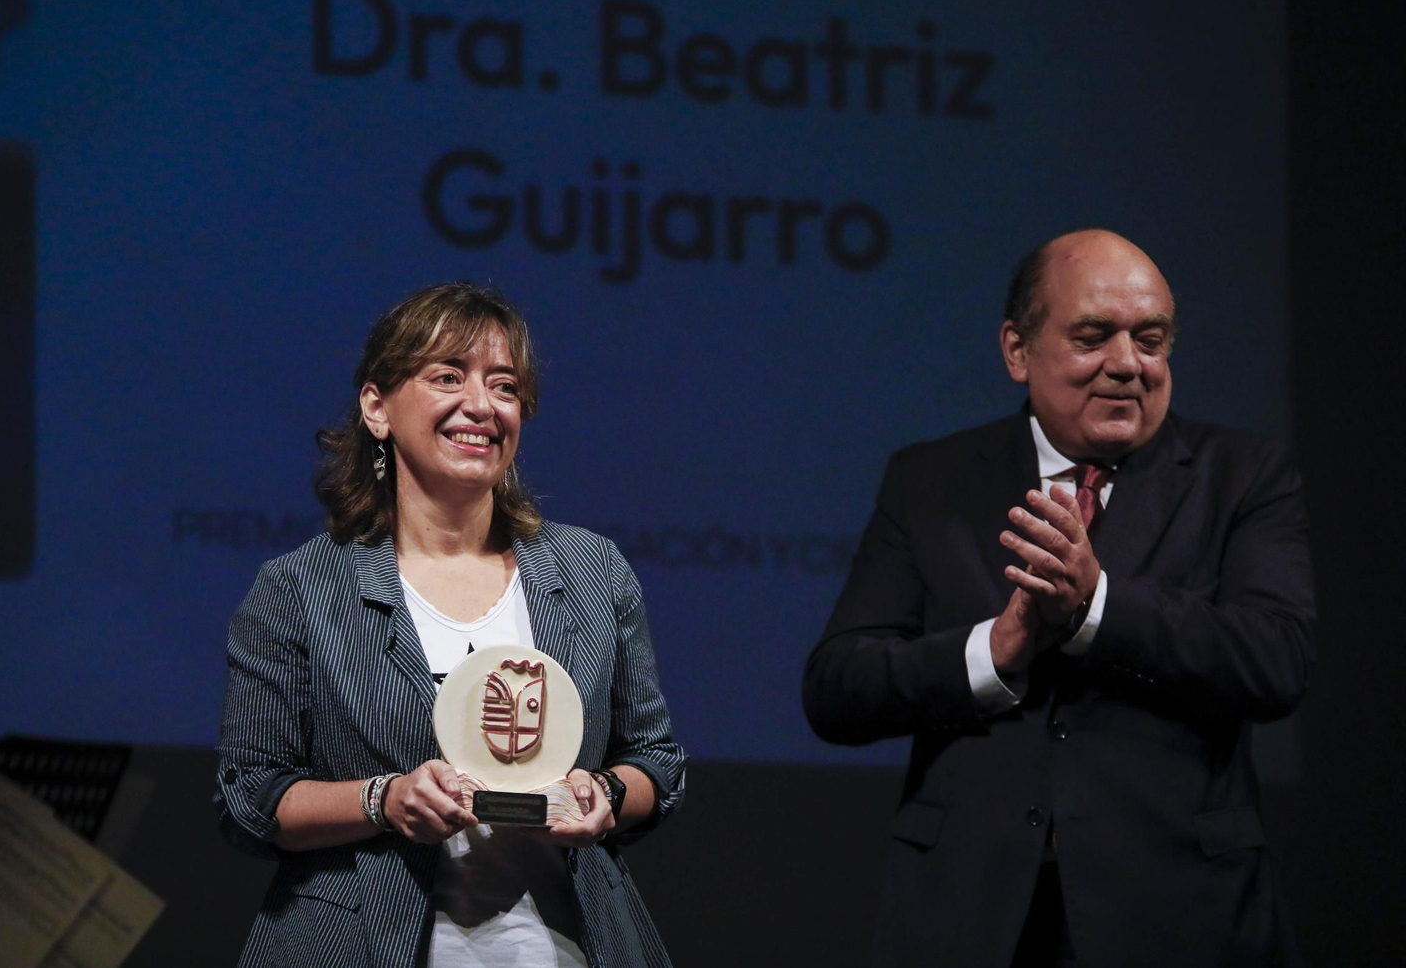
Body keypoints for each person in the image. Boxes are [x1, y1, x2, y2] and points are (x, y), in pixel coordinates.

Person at [803, 229, 1314, 966]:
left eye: (1151, 338)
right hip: (971, 917)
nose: (1127, 365)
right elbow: (837, 688)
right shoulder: (932, 481)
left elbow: (1277, 660)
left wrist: (1095, 608)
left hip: (1180, 917)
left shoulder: (1243, 476)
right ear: (1017, 350)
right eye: (1093, 336)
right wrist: (994, 653)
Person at [215, 283, 686, 968]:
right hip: (357, 946)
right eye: (447, 376)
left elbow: (656, 763)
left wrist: (605, 794)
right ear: (377, 407)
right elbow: (250, 796)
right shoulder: (299, 589)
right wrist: (385, 799)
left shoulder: (592, 571)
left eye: (504, 385)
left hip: (565, 948)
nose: (481, 405)